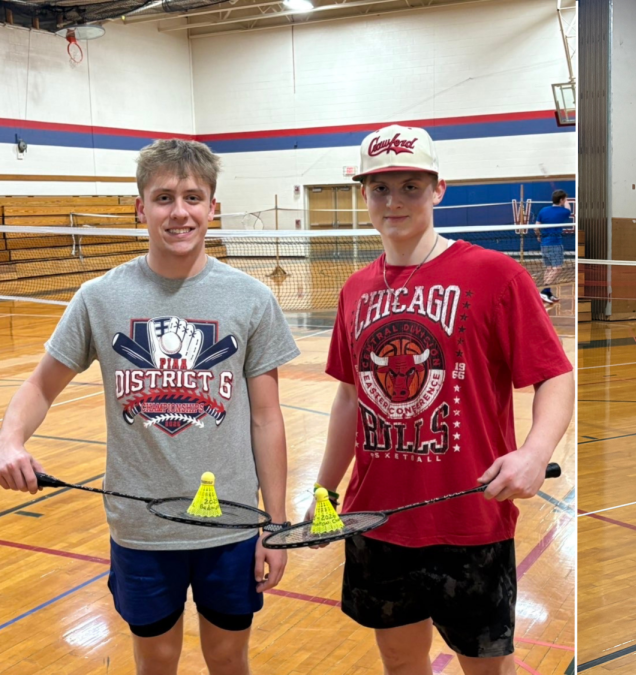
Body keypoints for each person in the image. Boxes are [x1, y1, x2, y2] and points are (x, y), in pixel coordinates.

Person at [0, 139, 298, 675]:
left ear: (213, 207)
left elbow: (266, 418)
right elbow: (41, 387)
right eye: (163, 198)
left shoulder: (252, 299)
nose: (178, 212)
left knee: (229, 659)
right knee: (155, 660)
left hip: (229, 527)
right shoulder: (99, 297)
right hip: (140, 529)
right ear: (141, 207)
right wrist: (9, 440)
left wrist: (273, 526)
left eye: (192, 197)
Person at [310, 125, 574, 675]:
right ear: (364, 195)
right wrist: (325, 491)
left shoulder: (495, 275)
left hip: (471, 521)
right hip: (376, 519)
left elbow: (555, 376)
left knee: (485, 669)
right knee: (402, 665)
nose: (394, 201)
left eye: (410, 185)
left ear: (438, 190)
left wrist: (534, 451)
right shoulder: (355, 289)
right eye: (380, 188)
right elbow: (348, 400)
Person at [533, 189, 572, 306]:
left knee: (549, 268)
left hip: (544, 244)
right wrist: (566, 200)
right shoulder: (563, 212)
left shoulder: (543, 210)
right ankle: (544, 291)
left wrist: (539, 237)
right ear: (561, 200)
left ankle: (548, 292)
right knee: (557, 268)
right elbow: (569, 209)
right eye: (564, 199)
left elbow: (536, 227)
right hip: (555, 243)